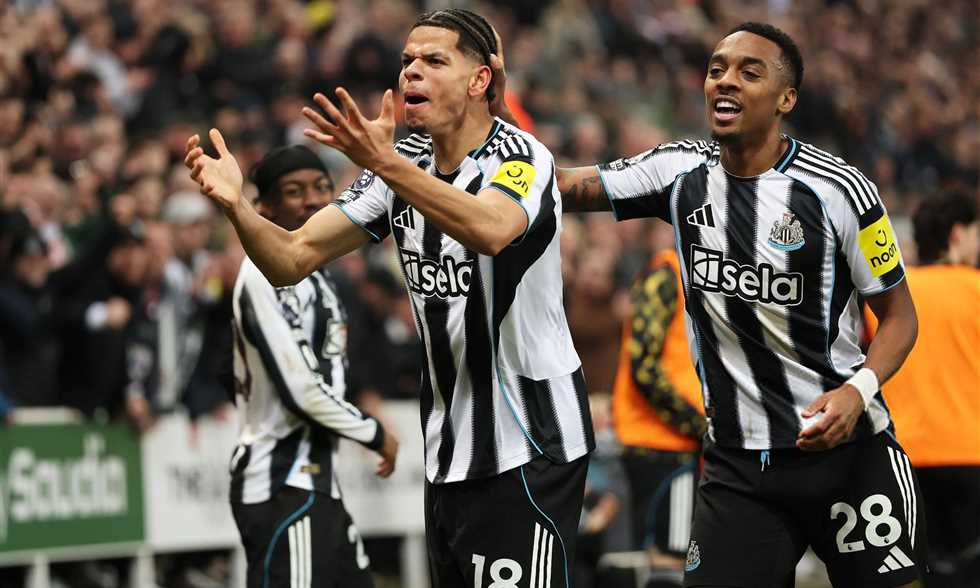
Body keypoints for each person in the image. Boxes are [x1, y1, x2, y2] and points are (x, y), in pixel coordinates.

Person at [186, 9, 593, 587]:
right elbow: (291, 258)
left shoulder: (522, 156)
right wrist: (236, 207)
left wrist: (383, 161)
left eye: (434, 60)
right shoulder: (401, 169)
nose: (411, 72)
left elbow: (491, 229)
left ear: (479, 80)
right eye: (407, 61)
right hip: (449, 451)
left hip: (530, 442)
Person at [533, 21, 924, 588]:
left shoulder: (839, 191)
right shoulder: (679, 171)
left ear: (786, 99)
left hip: (845, 452)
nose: (725, 80)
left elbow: (900, 317)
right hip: (738, 466)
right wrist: (479, 142)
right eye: (717, 69)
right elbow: (562, 187)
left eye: (749, 72)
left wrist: (856, 391)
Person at [224, 145, 397, 588]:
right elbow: (298, 387)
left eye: (322, 187)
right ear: (264, 207)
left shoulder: (320, 277)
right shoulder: (261, 275)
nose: (314, 200)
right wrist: (373, 432)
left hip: (318, 482)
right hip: (282, 481)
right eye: (294, 191)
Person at [868, 191, 978, 587]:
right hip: (970, 455)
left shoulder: (888, 300)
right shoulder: (976, 289)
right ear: (956, 235)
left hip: (903, 458)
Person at [611, 222, 705, 577]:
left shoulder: (687, 276)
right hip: (663, 443)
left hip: (670, 442)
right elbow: (644, 366)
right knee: (670, 557)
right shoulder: (667, 275)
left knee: (670, 555)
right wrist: (699, 424)